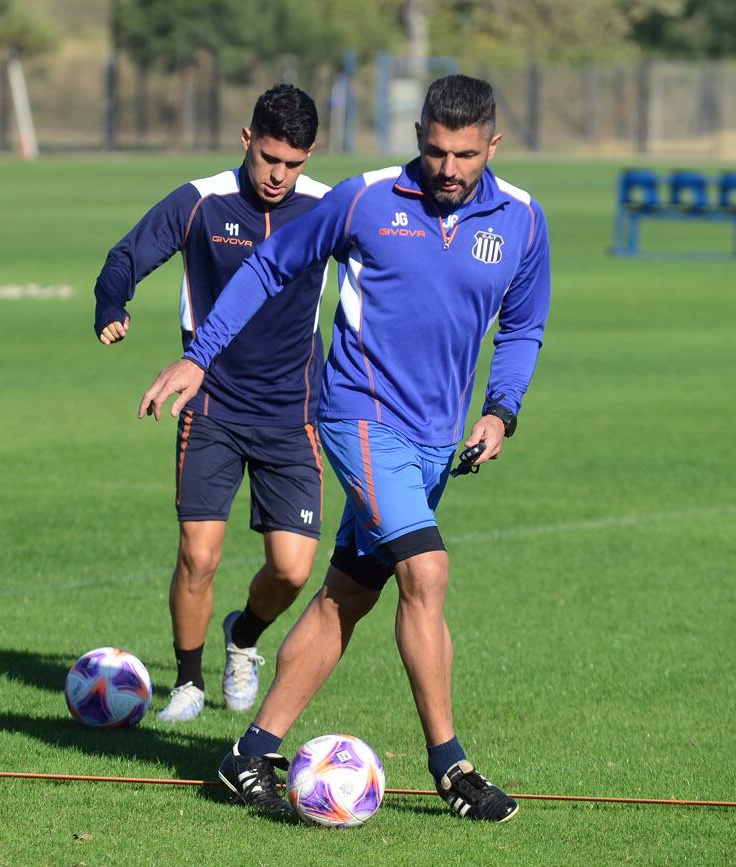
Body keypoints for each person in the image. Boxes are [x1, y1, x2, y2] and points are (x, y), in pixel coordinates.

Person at [138, 75, 551, 821]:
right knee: (426, 571)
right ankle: (451, 765)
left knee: (345, 598)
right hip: (359, 418)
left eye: (463, 154)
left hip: (434, 441)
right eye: (433, 151)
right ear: (418, 136)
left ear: (493, 144)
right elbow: (269, 265)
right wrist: (201, 354)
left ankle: (245, 754)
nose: (447, 169)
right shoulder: (366, 198)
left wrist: (501, 411)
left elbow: (522, 325)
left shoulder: (522, 219)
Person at [94, 85, 331, 723]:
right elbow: (125, 256)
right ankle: (189, 683)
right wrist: (112, 302)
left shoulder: (327, 208)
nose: (279, 175)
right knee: (199, 554)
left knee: (290, 571)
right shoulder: (200, 202)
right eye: (270, 158)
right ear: (246, 139)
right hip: (212, 407)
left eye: (295, 162)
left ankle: (244, 636)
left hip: (292, 411)